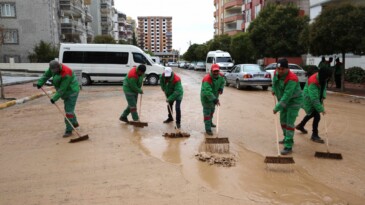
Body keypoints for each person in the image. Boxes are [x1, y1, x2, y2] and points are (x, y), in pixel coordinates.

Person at [36, 60, 80, 138]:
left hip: (72, 91)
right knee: (69, 109)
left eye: (54, 70)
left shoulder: (66, 73)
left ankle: (69, 130)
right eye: (52, 70)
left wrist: (54, 98)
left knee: (68, 111)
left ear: (58, 67)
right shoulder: (52, 68)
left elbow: (62, 89)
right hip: (65, 92)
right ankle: (75, 123)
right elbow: (46, 75)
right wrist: (40, 83)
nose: (53, 72)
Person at [272, 58, 303, 155]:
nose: (280, 71)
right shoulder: (276, 73)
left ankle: (288, 146)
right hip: (283, 101)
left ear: (287, 69)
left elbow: (287, 96)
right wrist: (273, 89)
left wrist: (277, 107)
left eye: (282, 69)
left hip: (293, 101)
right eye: (279, 69)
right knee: (283, 122)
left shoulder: (292, 79)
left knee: (289, 123)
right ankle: (286, 138)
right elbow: (274, 83)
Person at [295, 67, 333, 143]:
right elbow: (314, 99)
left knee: (311, 114)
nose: (328, 79)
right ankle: (314, 135)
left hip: (316, 96)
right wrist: (321, 109)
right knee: (317, 116)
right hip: (308, 98)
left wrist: (323, 95)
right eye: (327, 77)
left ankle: (301, 125)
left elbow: (324, 87)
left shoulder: (323, 78)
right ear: (324, 76)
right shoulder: (313, 82)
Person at [200, 64, 225, 136]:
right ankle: (208, 130)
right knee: (207, 114)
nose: (216, 73)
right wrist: (215, 99)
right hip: (206, 98)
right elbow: (207, 92)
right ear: (211, 71)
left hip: (215, 97)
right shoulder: (207, 79)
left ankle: (210, 123)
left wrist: (221, 88)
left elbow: (223, 82)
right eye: (214, 71)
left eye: (217, 71)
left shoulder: (220, 76)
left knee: (212, 111)